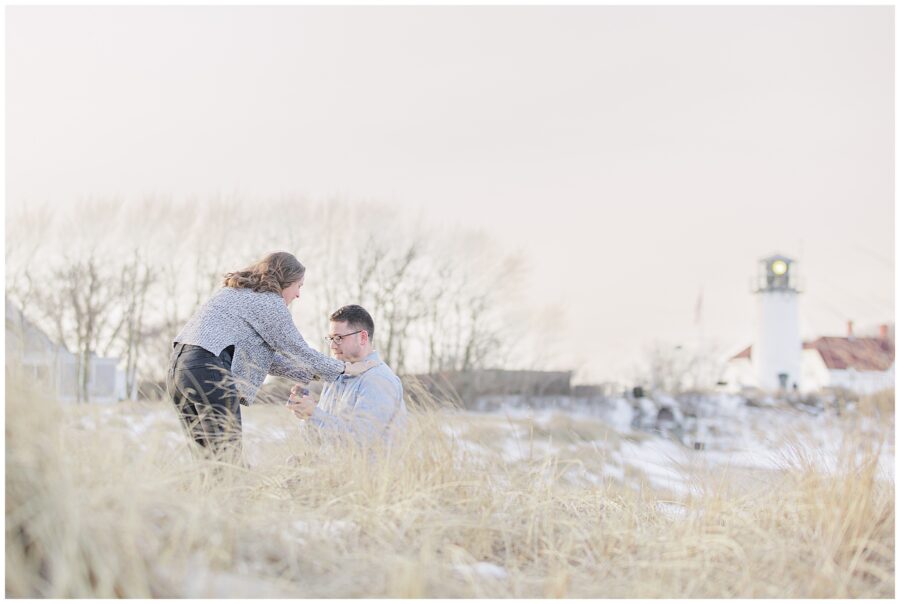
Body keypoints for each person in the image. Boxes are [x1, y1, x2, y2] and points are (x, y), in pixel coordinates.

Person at [167, 252, 376, 463]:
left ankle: (210, 495)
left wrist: (314, 374)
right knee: (228, 463)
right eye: (299, 286)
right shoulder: (269, 302)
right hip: (209, 373)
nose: (298, 295)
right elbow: (299, 350)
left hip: (178, 374)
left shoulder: (236, 294)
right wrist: (344, 369)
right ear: (285, 279)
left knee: (209, 462)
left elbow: (268, 360)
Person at [287, 304, 407, 446]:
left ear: (362, 337)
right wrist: (306, 415)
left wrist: (314, 414)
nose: (332, 345)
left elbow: (359, 442)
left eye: (338, 338)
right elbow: (318, 443)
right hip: (331, 468)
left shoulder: (378, 380)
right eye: (331, 338)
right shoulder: (337, 377)